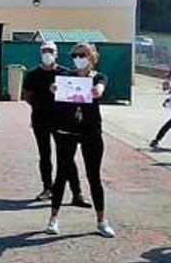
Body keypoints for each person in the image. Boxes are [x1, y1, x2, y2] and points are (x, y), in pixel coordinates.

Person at [45, 43, 116, 238]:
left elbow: (100, 88)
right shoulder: (67, 77)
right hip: (67, 131)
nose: (78, 58)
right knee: (62, 173)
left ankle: (101, 220)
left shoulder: (98, 77)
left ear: (91, 57)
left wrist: (96, 91)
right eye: (75, 55)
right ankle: (53, 218)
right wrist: (54, 89)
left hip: (90, 131)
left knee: (94, 176)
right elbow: (57, 91)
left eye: (82, 54)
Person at [22, 42, 88, 205]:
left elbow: (75, 94)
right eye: (44, 51)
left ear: (56, 53)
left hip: (63, 121)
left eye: (50, 51)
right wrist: (39, 106)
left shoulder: (65, 73)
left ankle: (76, 193)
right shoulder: (32, 74)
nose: (47, 54)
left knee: (66, 157)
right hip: (40, 119)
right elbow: (27, 96)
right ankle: (47, 188)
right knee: (44, 155)